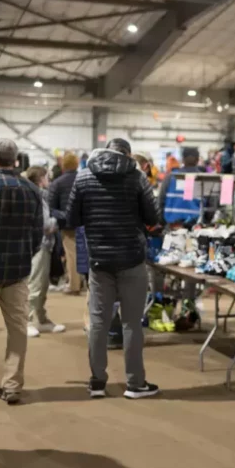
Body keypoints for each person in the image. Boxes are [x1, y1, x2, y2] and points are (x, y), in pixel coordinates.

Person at [67, 137, 160, 399]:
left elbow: (72, 218)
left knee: (98, 322)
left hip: (99, 261)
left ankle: (97, 382)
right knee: (132, 323)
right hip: (132, 259)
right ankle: (135, 384)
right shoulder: (137, 177)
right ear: (128, 155)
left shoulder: (83, 177)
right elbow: (153, 218)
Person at [0, 139, 44, 406]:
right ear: (15, 160)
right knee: (17, 330)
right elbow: (37, 235)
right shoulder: (31, 189)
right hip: (17, 272)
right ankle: (12, 384)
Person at [23, 166, 65, 338]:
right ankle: (28, 321)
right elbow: (44, 225)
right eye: (47, 177)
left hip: (44, 245)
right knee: (35, 285)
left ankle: (41, 319)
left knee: (43, 285)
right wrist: (59, 220)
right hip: (39, 244)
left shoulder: (36, 194)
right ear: (41, 178)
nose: (49, 179)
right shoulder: (37, 195)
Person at [49, 152, 81, 294]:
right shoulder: (84, 179)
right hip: (85, 224)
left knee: (72, 255)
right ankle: (78, 282)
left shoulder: (57, 183)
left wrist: (62, 218)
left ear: (63, 165)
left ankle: (74, 286)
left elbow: (51, 206)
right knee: (83, 255)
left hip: (68, 226)